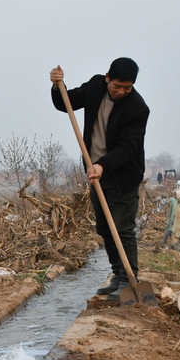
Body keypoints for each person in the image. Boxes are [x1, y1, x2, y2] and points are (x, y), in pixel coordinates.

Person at [50, 58, 150, 301]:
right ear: (107, 78)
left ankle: (129, 280)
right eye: (117, 86)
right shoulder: (95, 86)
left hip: (123, 175)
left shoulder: (137, 108)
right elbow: (66, 103)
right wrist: (56, 86)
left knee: (122, 228)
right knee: (105, 227)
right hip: (96, 173)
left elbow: (127, 148)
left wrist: (102, 165)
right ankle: (118, 273)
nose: (122, 92)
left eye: (127, 87)